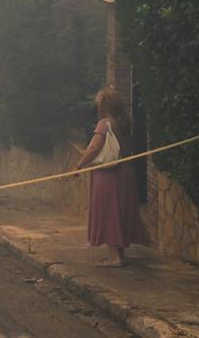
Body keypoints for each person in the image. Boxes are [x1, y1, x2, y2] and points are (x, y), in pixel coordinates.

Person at [75, 87, 149, 267]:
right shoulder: (124, 124)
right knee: (121, 211)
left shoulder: (104, 124)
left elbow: (93, 148)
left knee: (108, 212)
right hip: (126, 173)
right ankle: (121, 254)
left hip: (108, 175)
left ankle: (114, 257)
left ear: (104, 105)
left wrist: (79, 165)